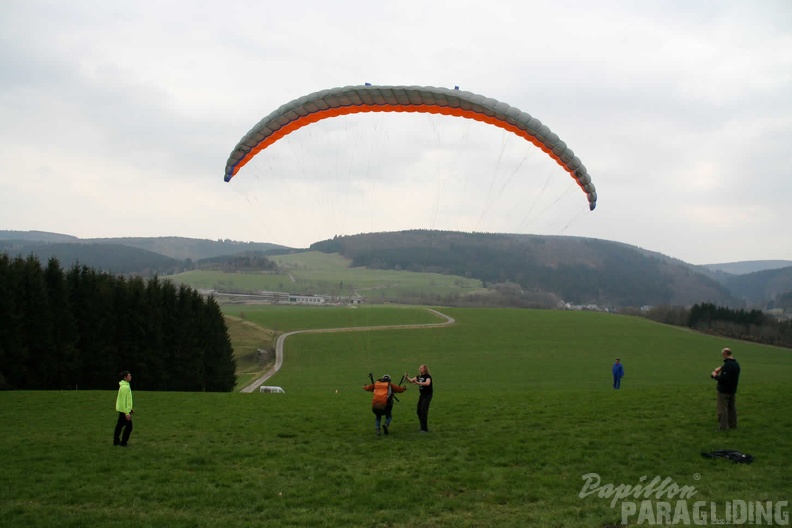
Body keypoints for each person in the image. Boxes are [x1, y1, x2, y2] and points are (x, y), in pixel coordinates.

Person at [711, 347, 740, 430]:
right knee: (732, 408)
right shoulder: (736, 364)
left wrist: (715, 375)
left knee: (722, 409)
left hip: (724, 391)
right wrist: (721, 368)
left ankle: (723, 427)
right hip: (732, 390)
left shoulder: (728, 365)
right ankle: (733, 425)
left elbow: (723, 379)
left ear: (725, 354)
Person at [406, 364, 433, 432]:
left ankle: (424, 429)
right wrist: (407, 377)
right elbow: (411, 381)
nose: (420, 369)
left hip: (427, 395)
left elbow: (427, 383)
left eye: (421, 368)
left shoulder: (428, 376)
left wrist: (418, 383)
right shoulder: (419, 376)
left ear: (425, 369)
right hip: (422, 395)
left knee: (424, 411)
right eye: (420, 368)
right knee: (419, 411)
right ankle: (422, 426)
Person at [114, 371, 134, 446]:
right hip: (124, 411)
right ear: (125, 377)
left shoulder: (125, 386)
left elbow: (127, 400)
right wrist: (127, 413)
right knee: (129, 427)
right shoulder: (125, 387)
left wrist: (130, 408)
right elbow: (123, 401)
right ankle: (123, 442)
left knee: (119, 426)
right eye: (129, 376)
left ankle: (116, 441)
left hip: (123, 410)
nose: (130, 377)